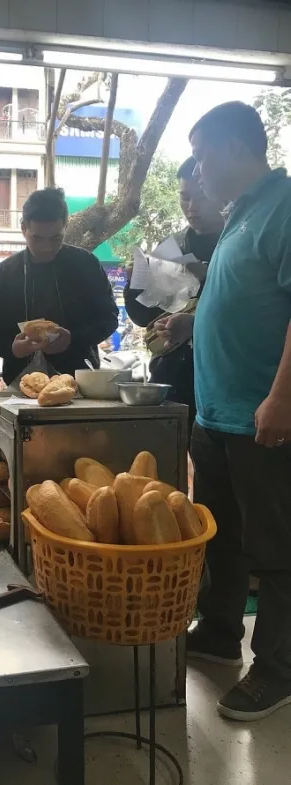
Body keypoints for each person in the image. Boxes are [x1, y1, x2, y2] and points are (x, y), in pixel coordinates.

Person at [158, 101, 291, 721]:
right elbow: (236, 292)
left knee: (275, 544)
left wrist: (282, 396)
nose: (200, 171)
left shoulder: (285, 204)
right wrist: (191, 319)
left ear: (239, 149)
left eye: (206, 156)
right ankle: (218, 633)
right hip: (217, 413)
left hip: (262, 413)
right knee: (222, 534)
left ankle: (279, 669)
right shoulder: (242, 216)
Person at [124, 157, 224, 436]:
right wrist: (134, 284)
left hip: (222, 380)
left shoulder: (236, 243)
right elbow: (144, 316)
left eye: (200, 197)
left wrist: (205, 278)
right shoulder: (172, 246)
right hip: (172, 378)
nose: (191, 208)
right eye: (185, 197)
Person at [0, 187, 118, 385]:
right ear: (23, 229)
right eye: (37, 238)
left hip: (80, 381)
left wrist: (73, 338)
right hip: (21, 383)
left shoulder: (86, 265)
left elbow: (109, 318)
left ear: (65, 226)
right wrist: (12, 349)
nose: (47, 247)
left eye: (56, 238)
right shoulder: (4, 274)